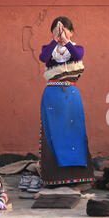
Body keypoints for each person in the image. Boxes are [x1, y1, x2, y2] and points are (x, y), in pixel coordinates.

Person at [38, 16, 94, 186]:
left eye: (65, 30)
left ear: (72, 32)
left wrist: (65, 41)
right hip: (52, 97)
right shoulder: (49, 49)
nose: (61, 33)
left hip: (70, 97)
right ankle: (54, 178)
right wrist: (55, 40)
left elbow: (77, 56)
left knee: (74, 133)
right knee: (52, 134)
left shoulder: (77, 48)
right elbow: (43, 57)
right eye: (57, 30)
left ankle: (77, 176)